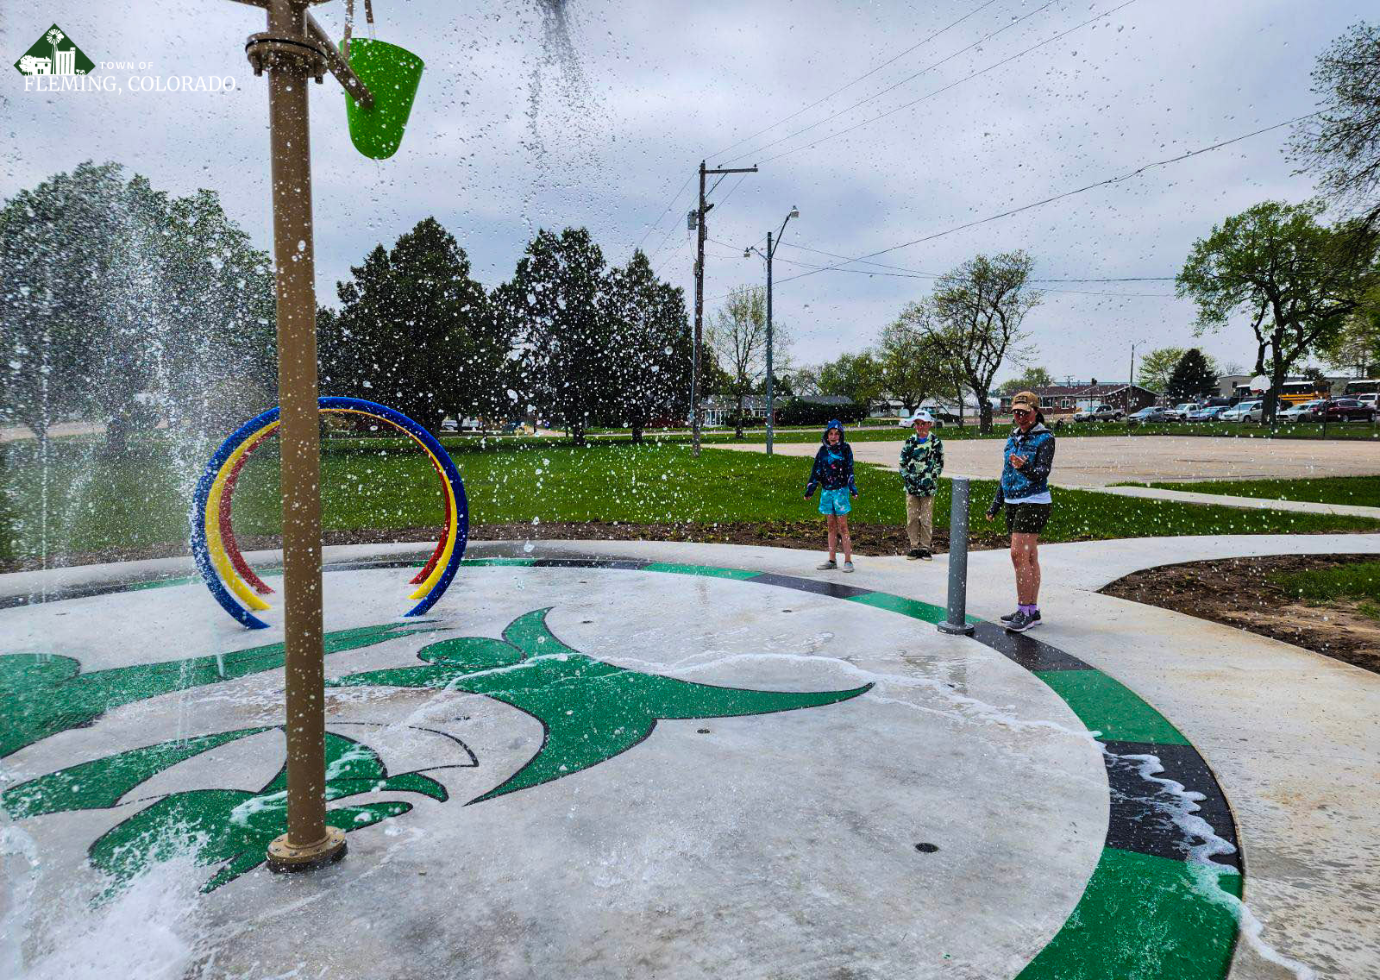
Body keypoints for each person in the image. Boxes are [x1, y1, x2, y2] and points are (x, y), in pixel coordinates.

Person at [985, 391, 1055, 633]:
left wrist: (1025, 467)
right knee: (1029, 557)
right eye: (1016, 412)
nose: (1019, 416)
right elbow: (1005, 474)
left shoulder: (1045, 438)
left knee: (1018, 555)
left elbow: (1042, 473)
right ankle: (1031, 611)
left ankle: (1024, 610)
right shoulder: (1012, 437)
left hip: (1034, 501)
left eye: (1024, 412)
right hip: (1014, 502)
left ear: (1035, 412)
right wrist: (996, 504)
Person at [804, 419, 858, 572]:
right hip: (826, 492)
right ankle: (832, 559)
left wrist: (852, 488)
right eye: (831, 434)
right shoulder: (822, 451)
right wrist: (810, 490)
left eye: (836, 434)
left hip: (840, 491)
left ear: (841, 435)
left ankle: (848, 560)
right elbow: (816, 472)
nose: (833, 437)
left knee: (843, 526)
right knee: (831, 526)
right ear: (827, 435)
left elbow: (849, 469)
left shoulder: (845, 449)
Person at [898, 409, 944, 560]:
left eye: (923, 424)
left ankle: (925, 547)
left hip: (928, 488)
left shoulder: (936, 442)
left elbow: (939, 463)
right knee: (912, 517)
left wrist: (932, 477)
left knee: (926, 518)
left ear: (929, 424)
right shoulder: (910, 442)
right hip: (912, 487)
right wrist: (907, 477)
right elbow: (902, 462)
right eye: (917, 424)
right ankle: (914, 546)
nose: (920, 427)